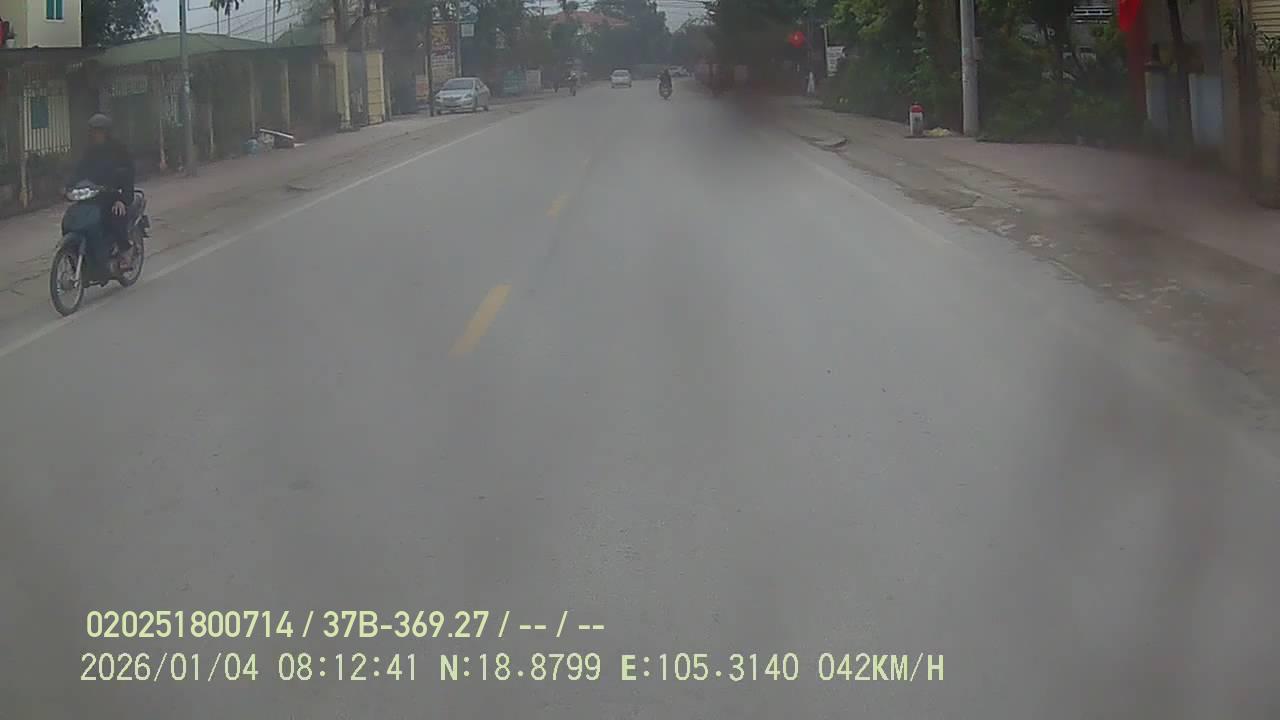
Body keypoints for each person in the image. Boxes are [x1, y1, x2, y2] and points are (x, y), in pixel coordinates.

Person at [69, 113, 136, 272]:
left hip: (114, 196)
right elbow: (79, 171)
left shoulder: (118, 149)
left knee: (116, 216)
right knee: (75, 218)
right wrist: (67, 186)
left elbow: (128, 174)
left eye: (99, 131)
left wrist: (122, 199)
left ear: (107, 132)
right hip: (93, 196)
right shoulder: (90, 151)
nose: (96, 134)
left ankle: (125, 250)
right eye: (93, 131)